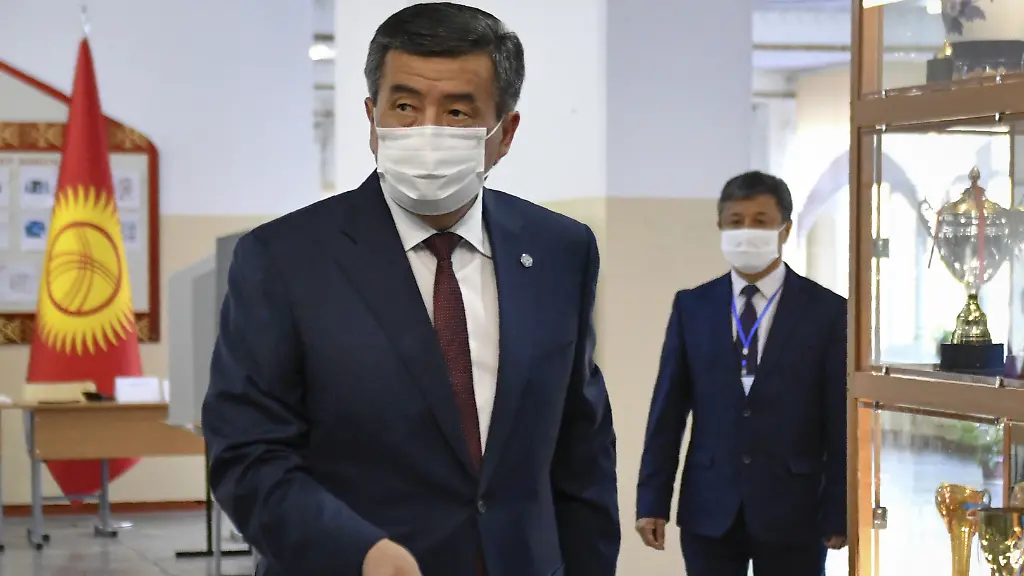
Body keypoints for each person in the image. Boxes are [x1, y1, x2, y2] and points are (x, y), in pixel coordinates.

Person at [201, 3, 620, 576]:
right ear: (371, 118)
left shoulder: (559, 251)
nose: (426, 131)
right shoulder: (284, 259)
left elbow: (582, 447)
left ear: (504, 133)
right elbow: (248, 455)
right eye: (404, 107)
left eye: (457, 111)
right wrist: (356, 552)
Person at [633, 171, 847, 576]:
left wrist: (840, 508)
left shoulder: (827, 311)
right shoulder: (692, 307)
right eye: (736, 221)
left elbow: (839, 420)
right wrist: (652, 501)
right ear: (720, 226)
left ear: (785, 229)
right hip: (709, 507)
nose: (747, 231)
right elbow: (667, 413)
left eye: (760, 221)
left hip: (796, 509)